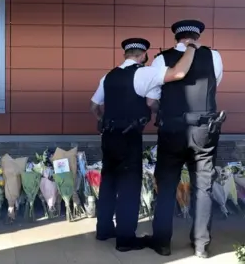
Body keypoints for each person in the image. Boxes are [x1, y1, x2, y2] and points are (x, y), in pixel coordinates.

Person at [90, 38, 199, 252]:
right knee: (129, 186)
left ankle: (103, 230)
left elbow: (93, 105)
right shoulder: (143, 72)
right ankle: (125, 239)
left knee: (109, 183)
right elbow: (177, 73)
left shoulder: (109, 76)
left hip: (108, 137)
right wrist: (192, 48)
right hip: (129, 137)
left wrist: (101, 120)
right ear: (143, 55)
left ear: (125, 54)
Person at [146, 19, 224, 258]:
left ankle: (162, 243)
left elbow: (151, 100)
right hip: (204, 132)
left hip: (172, 131)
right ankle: (201, 245)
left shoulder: (161, 59)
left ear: (176, 37)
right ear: (197, 36)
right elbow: (214, 85)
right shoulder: (214, 57)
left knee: (167, 186)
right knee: (203, 187)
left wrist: (168, 108)